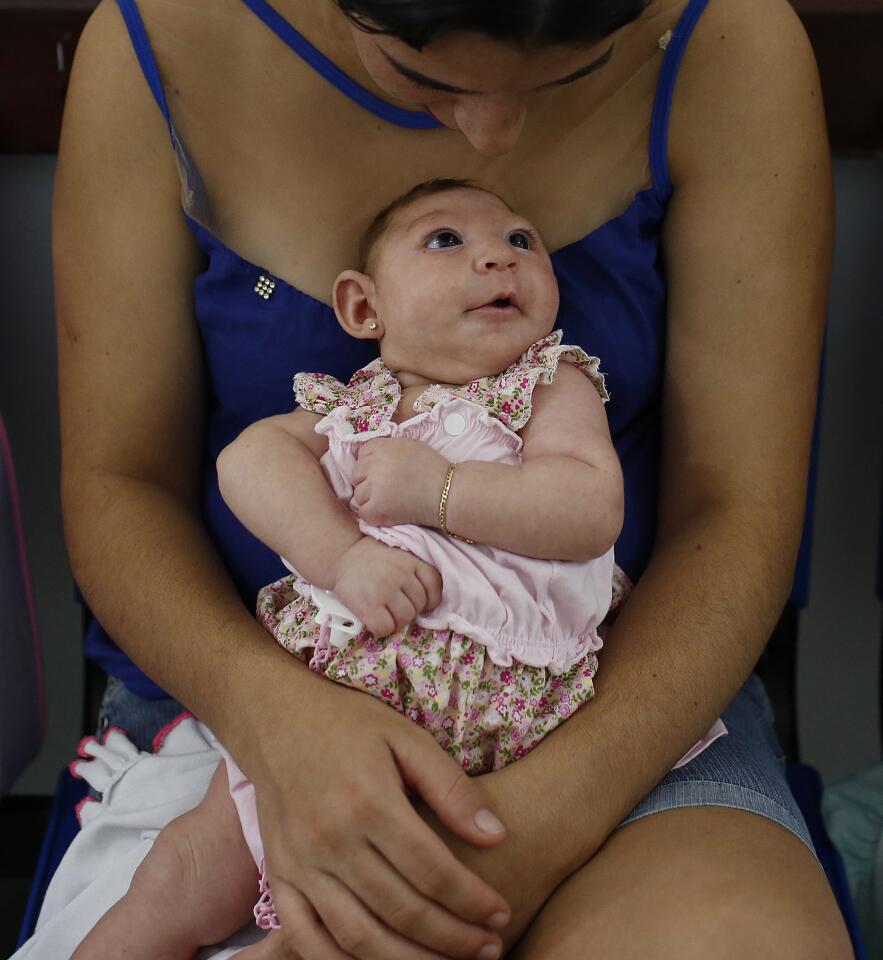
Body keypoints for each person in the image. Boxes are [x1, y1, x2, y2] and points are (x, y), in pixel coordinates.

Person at [53, 0, 848, 956]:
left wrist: (541, 819)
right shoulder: (163, 43)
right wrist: (280, 719)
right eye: (421, 75)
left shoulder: (723, 39)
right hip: (243, 692)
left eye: (575, 71)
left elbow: (736, 507)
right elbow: (123, 484)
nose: (491, 137)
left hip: (608, 702)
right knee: (187, 889)